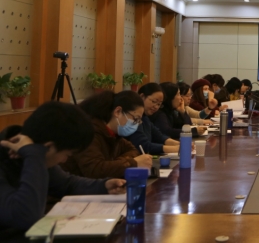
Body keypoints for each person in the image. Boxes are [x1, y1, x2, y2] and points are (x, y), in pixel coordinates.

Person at [0, 101, 126, 231]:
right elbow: (25, 216)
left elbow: (67, 184)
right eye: (67, 154)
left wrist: (103, 186)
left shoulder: (37, 153)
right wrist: (33, 156)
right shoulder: (33, 156)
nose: (65, 160)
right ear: (48, 147)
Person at [61, 91, 152, 179]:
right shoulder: (89, 132)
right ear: (117, 111)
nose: (136, 124)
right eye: (135, 119)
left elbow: (133, 150)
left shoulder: (114, 135)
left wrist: (114, 164)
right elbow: (94, 170)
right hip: (74, 187)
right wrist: (132, 163)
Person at [127, 83, 180, 155]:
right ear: (142, 97)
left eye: (159, 104)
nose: (156, 107)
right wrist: (176, 148)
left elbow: (159, 136)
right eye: (154, 101)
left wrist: (180, 144)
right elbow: (144, 146)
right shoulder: (133, 118)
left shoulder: (145, 118)